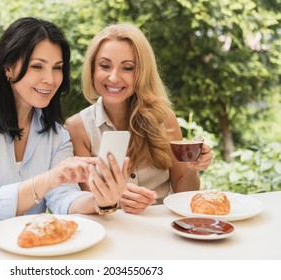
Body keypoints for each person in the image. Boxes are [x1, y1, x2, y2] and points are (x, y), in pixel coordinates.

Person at [0, 17, 127, 223]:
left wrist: (101, 201)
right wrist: (48, 180)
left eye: (57, 68)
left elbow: (64, 199)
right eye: (37, 66)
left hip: (16, 247)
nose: (50, 79)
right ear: (8, 68)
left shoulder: (56, 135)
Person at [65, 23, 213, 214]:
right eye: (104, 65)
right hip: (112, 231)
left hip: (163, 230)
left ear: (142, 73)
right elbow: (89, 201)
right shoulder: (77, 128)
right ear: (92, 69)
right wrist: (115, 198)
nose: (113, 77)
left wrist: (192, 167)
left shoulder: (164, 118)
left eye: (127, 68)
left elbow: (184, 194)